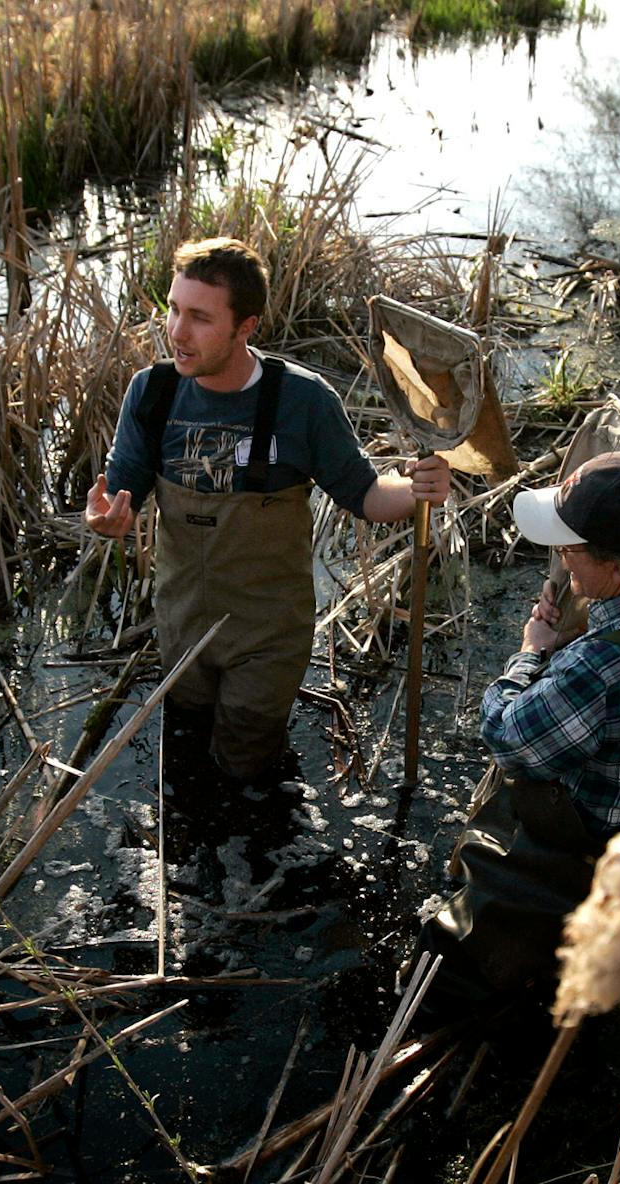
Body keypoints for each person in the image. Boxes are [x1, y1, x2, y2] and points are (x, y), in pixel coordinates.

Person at [84, 237, 452, 781]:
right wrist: (106, 519)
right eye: (173, 309)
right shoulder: (153, 393)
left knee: (246, 769)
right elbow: (121, 492)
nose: (178, 332)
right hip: (181, 623)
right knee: (183, 757)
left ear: (246, 326)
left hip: (267, 634)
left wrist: (416, 488)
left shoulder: (301, 400)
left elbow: (366, 495)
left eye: (200, 318)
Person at [417, 451, 620, 1017]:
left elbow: (508, 736)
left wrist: (531, 652)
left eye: (571, 548)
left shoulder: (598, 666)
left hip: (583, 832)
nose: (560, 558)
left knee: (444, 970)